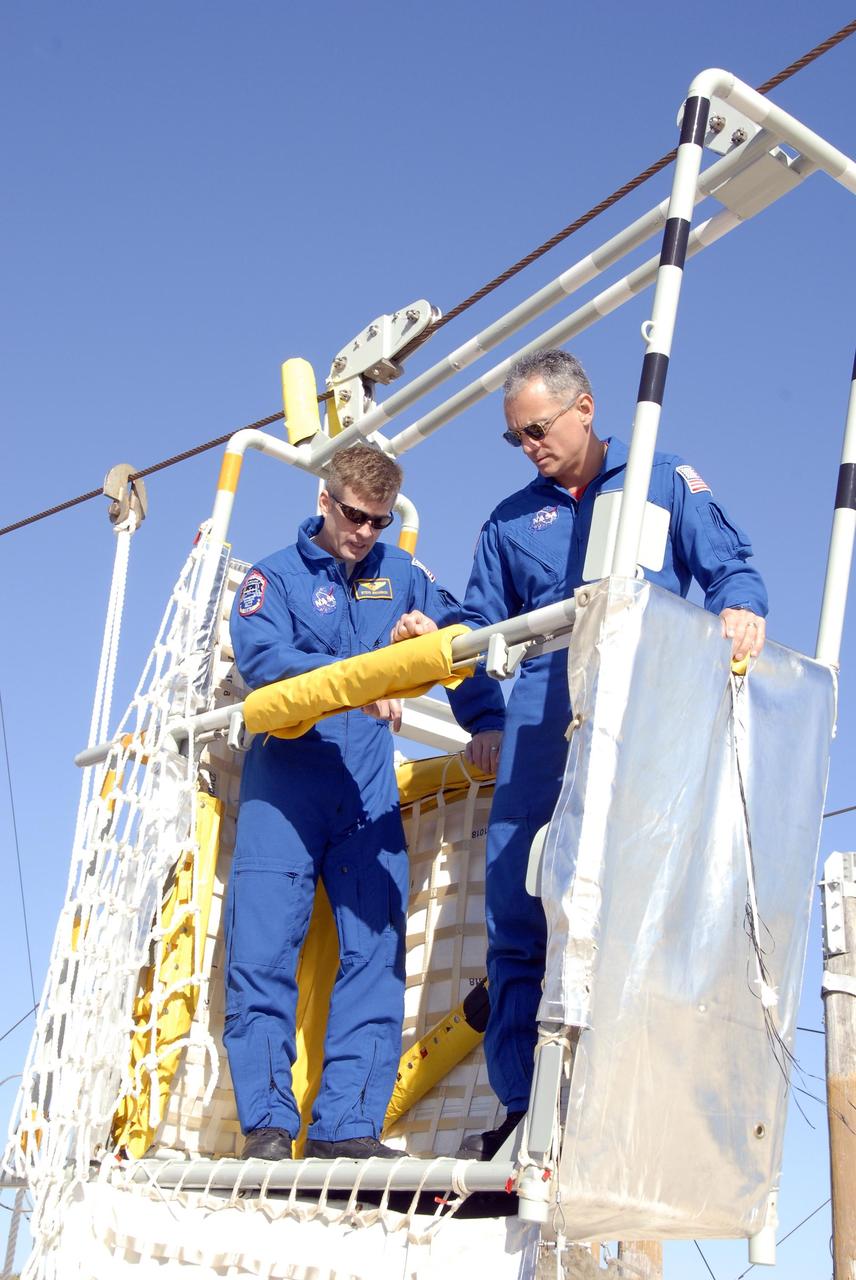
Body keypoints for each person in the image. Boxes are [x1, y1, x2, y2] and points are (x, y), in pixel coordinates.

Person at [392, 348, 768, 1158]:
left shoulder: (659, 481)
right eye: (514, 437)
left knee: (633, 916)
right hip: (535, 731)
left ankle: (627, 1106)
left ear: (586, 409)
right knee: (519, 920)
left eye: (537, 429)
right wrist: (481, 717)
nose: (528, 445)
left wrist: (739, 609)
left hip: (640, 723)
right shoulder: (505, 522)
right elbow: (478, 632)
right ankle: (526, 1109)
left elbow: (731, 568)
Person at [225, 443, 505, 1161]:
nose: (365, 534)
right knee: (263, 954)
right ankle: (266, 1123)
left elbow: (459, 639)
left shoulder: (402, 574)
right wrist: (363, 674)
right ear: (326, 501)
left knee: (375, 953)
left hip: (366, 785)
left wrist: (485, 720)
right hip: (286, 782)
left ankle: (347, 1126)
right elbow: (264, 663)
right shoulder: (272, 579)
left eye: (379, 522)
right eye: (355, 517)